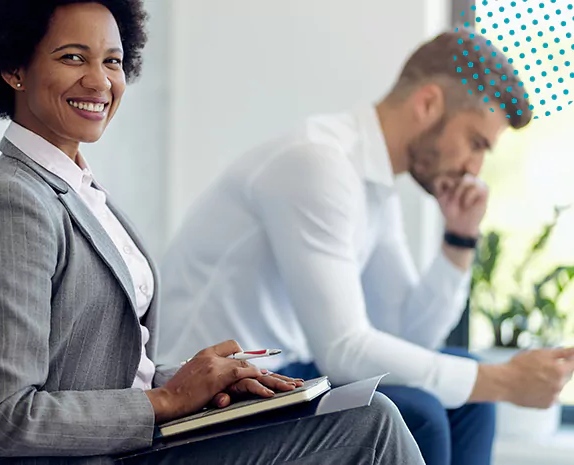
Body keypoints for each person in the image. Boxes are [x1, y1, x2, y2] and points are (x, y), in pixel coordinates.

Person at [0, 1, 425, 464]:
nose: (99, 81)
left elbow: (102, 370)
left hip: (138, 442)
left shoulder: (78, 189)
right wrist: (170, 400)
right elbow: (0, 418)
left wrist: (205, 380)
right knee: (372, 425)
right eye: (73, 57)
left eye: (112, 61)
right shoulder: (11, 202)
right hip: (97, 456)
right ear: (14, 68)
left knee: (361, 407)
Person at [156, 29, 574, 465]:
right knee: (425, 411)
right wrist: (502, 380)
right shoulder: (318, 164)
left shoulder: (374, 186)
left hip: (287, 372)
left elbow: (408, 336)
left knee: (468, 398)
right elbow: (344, 349)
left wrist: (459, 238)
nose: (475, 167)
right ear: (428, 104)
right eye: (475, 143)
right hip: (215, 390)